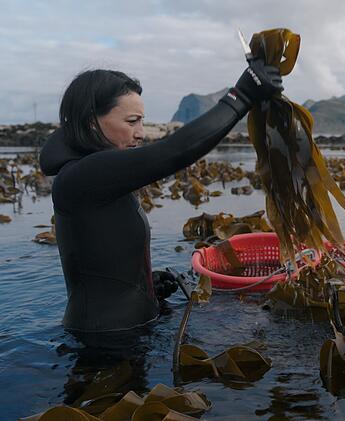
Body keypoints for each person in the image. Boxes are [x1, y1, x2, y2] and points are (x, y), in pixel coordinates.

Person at [40, 60, 282, 333]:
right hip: (105, 345)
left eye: (142, 121)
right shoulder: (80, 177)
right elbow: (171, 152)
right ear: (91, 122)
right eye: (132, 121)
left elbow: (101, 259)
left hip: (130, 330)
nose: (141, 133)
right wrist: (243, 96)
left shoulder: (97, 176)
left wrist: (145, 284)